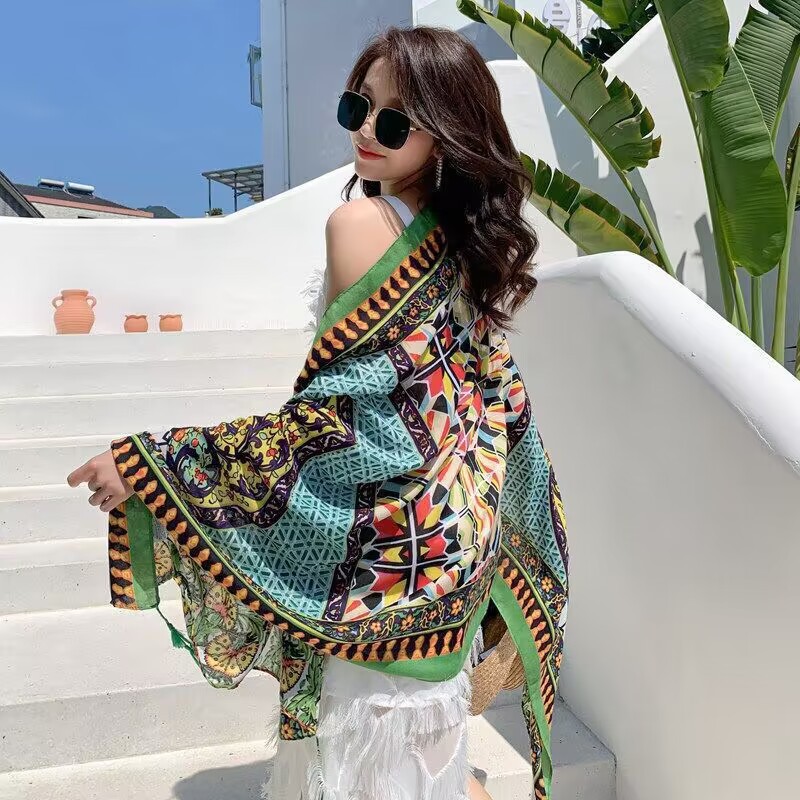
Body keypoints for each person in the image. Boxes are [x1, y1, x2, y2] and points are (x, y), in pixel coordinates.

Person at [67, 24, 569, 800]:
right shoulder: (463, 251)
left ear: (443, 135)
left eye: (394, 121)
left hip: (384, 559)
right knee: (422, 755)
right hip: (452, 545)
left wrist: (150, 464)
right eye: (356, 107)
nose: (366, 131)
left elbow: (340, 426)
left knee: (369, 763)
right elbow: (483, 407)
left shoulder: (360, 224)